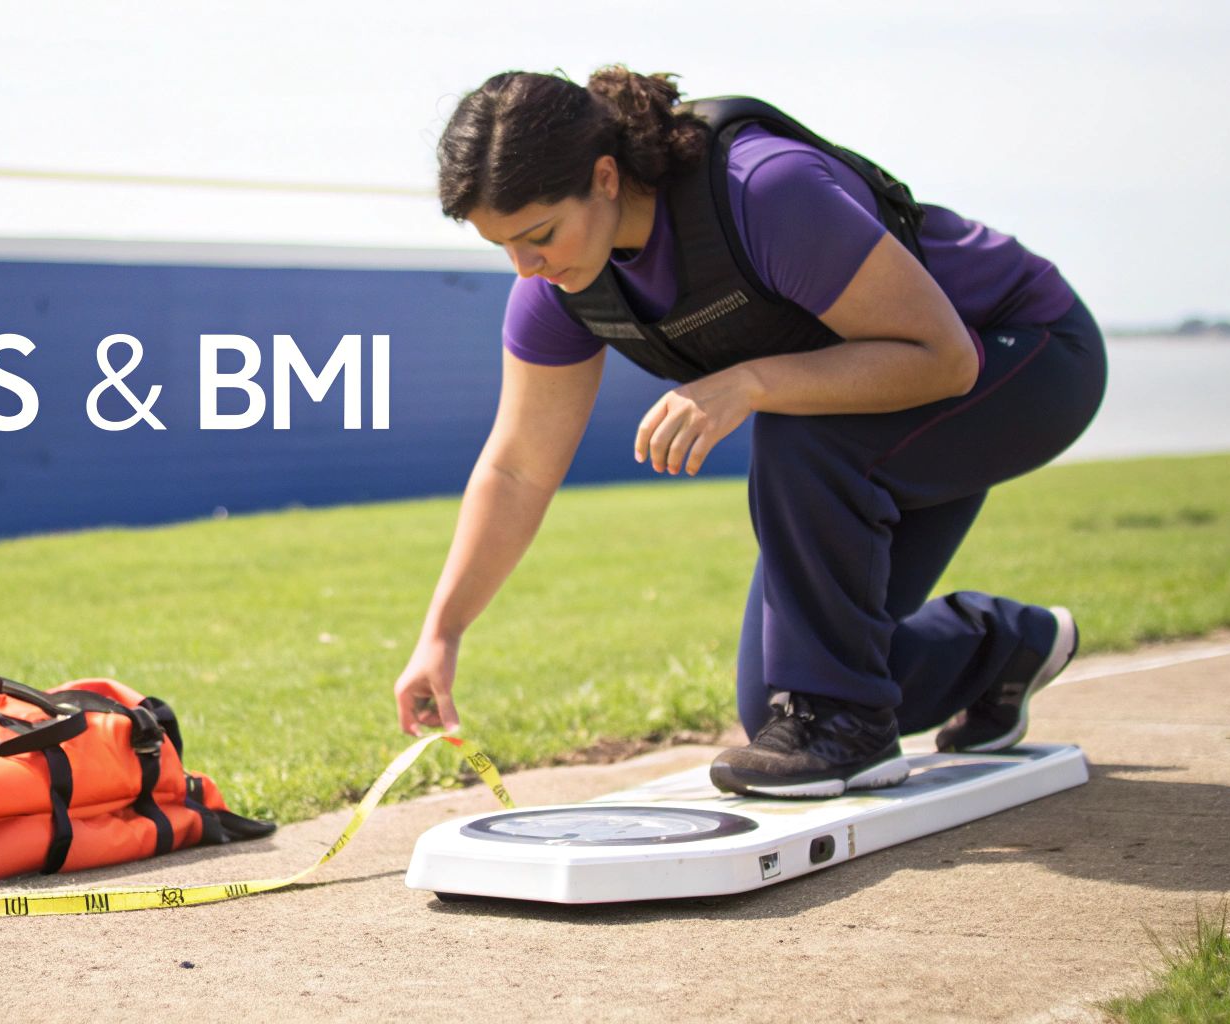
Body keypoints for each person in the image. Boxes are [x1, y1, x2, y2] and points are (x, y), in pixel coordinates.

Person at [390, 66, 1107, 798]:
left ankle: (852, 734)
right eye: (503, 246)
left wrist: (752, 381)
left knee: (802, 453)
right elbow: (517, 469)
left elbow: (945, 360)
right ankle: (1002, 648)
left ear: (605, 176)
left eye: (539, 235)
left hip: (1024, 357)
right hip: (879, 420)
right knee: (779, 700)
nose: (527, 267)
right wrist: (441, 633)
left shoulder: (763, 191)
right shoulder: (556, 289)